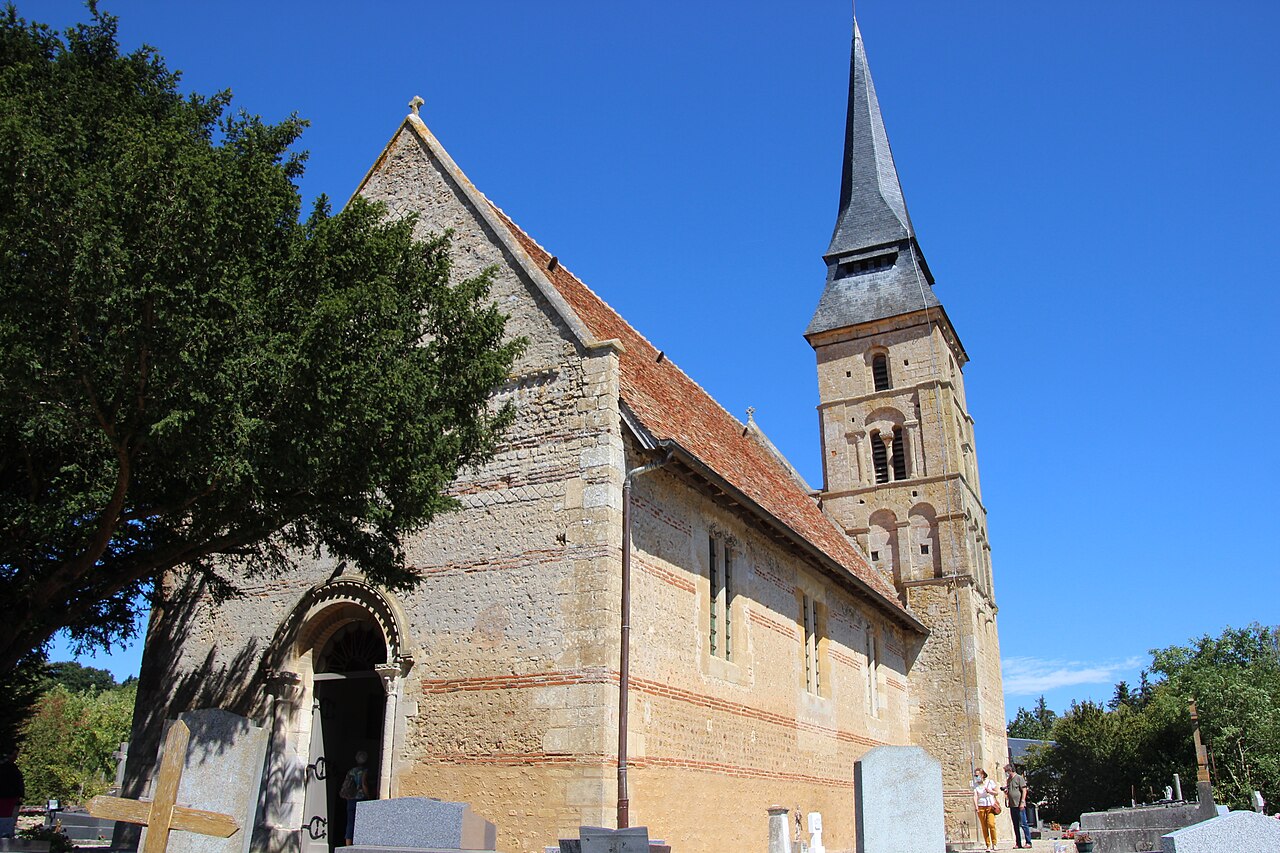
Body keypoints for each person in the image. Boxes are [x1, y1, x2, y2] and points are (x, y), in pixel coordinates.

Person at [339, 750, 371, 846]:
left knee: (350, 822)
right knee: (361, 822)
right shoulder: (365, 771)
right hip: (361, 799)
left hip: (351, 798)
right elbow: (364, 784)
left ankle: (348, 844)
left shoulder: (351, 771)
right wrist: (369, 796)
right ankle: (359, 844)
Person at [972, 767, 1000, 852]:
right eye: (975, 775)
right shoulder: (975, 785)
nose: (976, 777)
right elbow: (975, 796)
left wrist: (990, 791)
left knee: (991, 824)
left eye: (977, 775)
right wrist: (976, 806)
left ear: (982, 775)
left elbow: (996, 792)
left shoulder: (990, 782)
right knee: (984, 827)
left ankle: (994, 843)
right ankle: (988, 845)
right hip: (981, 806)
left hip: (990, 806)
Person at [1005, 762, 1032, 848]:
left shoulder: (1019, 778)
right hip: (1012, 805)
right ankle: (1018, 843)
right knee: (1015, 824)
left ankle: (1028, 842)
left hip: (1019, 804)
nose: (1006, 773)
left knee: (1024, 824)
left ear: (1010, 770)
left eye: (1007, 771)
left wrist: (1022, 802)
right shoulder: (1009, 780)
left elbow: (1024, 790)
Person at [0, 747, 23, 839]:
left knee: (9, 819)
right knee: (5, 819)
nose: (15, 757)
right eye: (14, 755)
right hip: (6, 797)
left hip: (12, 798)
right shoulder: (6, 768)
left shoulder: (12, 768)